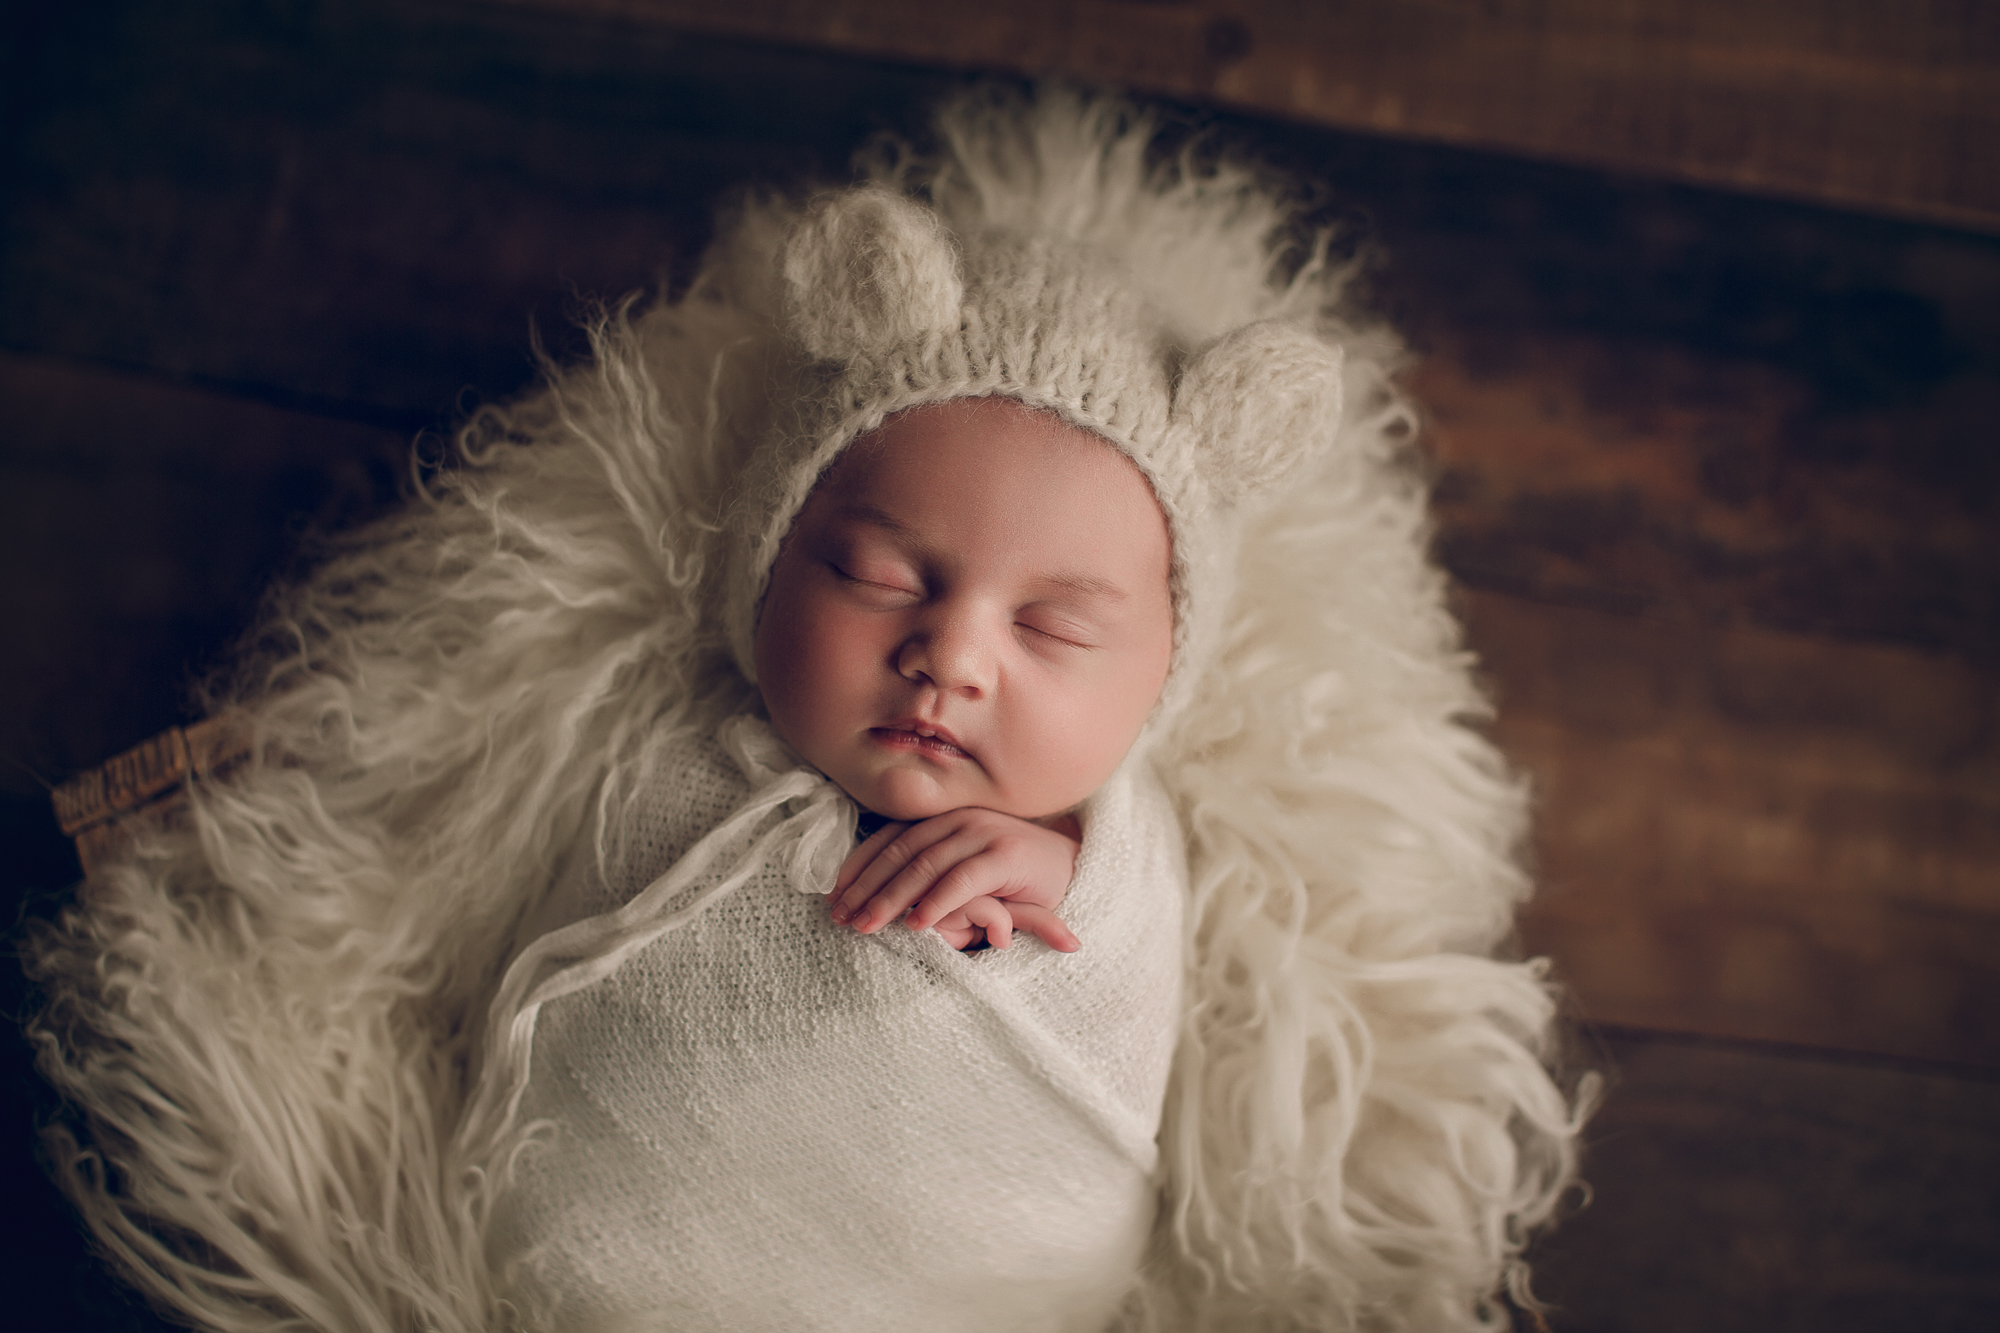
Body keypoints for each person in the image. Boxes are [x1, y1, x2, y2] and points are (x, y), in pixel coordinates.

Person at [27, 89, 1586, 1332]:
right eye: (876, 571)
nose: (953, 656)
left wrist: (1067, 879)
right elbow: (415, 858)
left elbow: (1159, 1009)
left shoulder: (1120, 855)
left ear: (1156, 688)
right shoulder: (650, 738)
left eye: (1052, 625)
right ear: (763, 567)